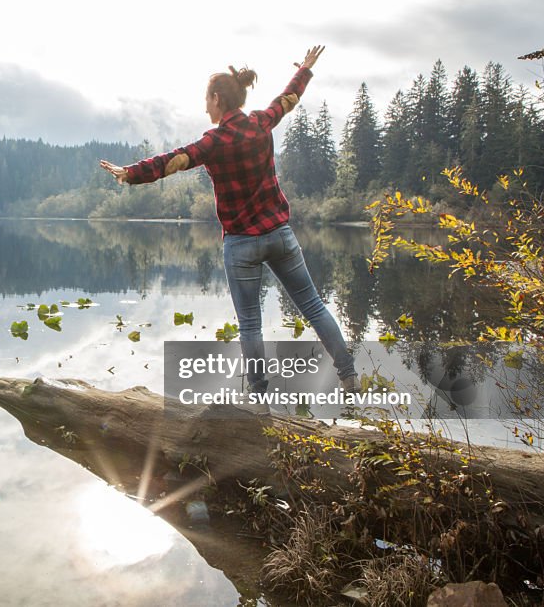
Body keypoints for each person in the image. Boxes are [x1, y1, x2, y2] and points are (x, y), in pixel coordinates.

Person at [99, 46, 357, 399]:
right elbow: (288, 99)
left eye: (206, 100)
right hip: (280, 234)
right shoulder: (261, 122)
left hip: (241, 244)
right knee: (313, 306)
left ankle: (259, 398)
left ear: (218, 99)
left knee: (251, 323)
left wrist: (130, 174)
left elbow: (173, 161)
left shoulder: (214, 141)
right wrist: (306, 70)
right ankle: (349, 376)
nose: (205, 107)